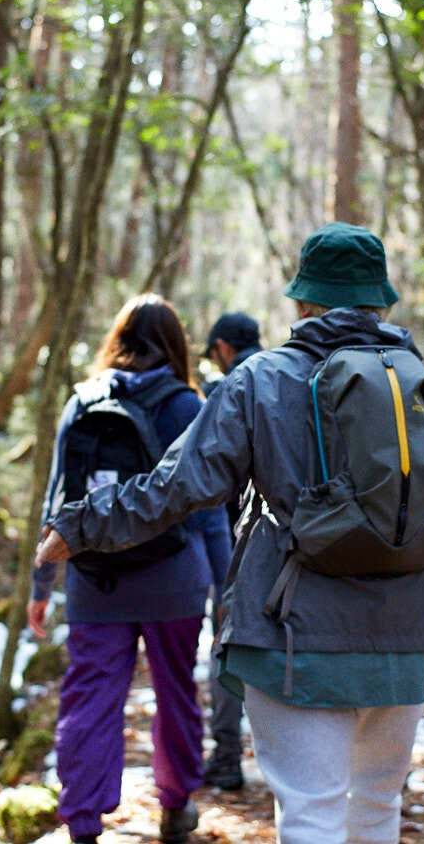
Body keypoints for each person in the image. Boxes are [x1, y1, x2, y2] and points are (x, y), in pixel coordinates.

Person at [36, 223, 424, 844]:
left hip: (291, 631)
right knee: (376, 807)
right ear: (378, 302)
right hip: (402, 638)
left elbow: (178, 487)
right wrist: (403, 548)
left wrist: (79, 526)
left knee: (311, 812)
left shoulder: (258, 381)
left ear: (304, 302)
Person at [27, 295, 231, 844]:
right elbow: (210, 510)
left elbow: (57, 503)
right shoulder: (188, 407)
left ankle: (84, 822)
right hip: (174, 580)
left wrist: (40, 584)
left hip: (96, 579)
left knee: (90, 697)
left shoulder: (82, 402)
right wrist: (224, 588)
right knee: (176, 692)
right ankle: (177, 805)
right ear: (175, 344)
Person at [198, 311, 264, 792]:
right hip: (291, 544)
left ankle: (226, 758)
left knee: (227, 651)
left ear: (222, 347)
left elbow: (203, 477)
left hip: (233, 545)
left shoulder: (229, 389)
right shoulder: (290, 378)